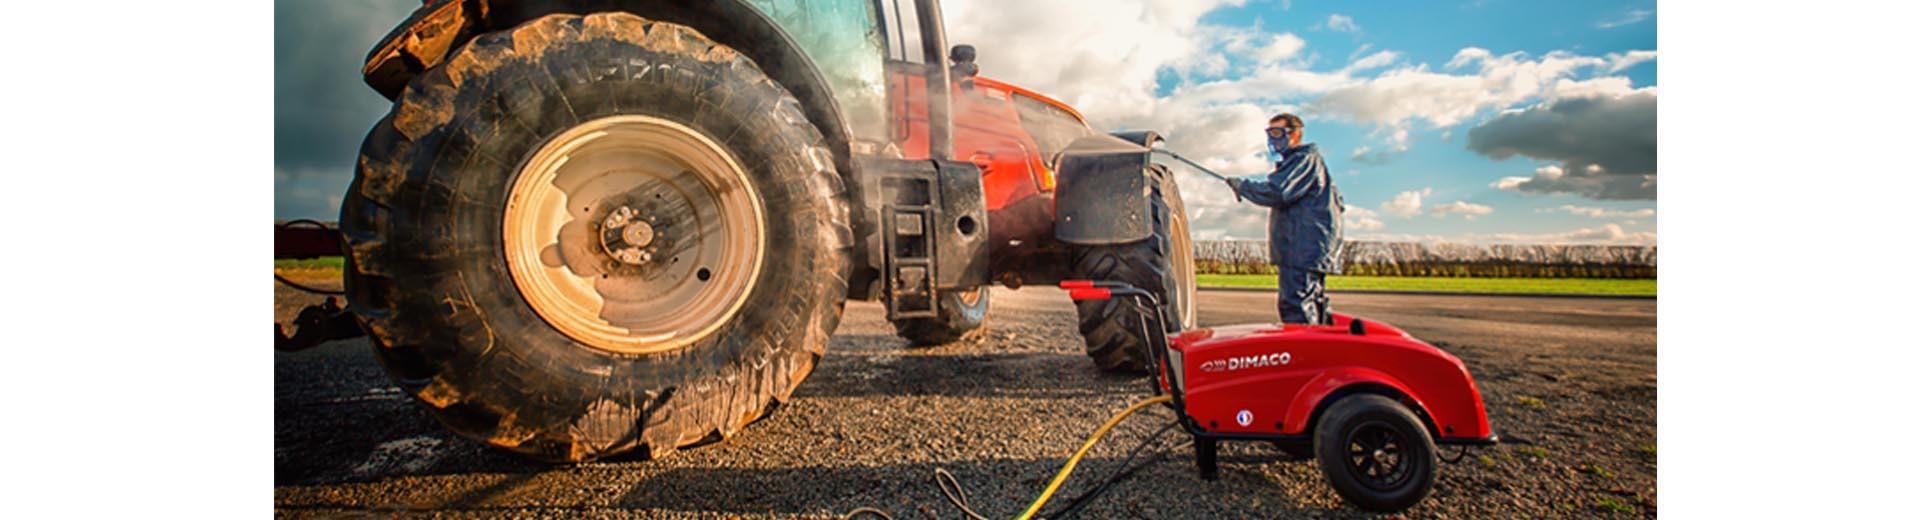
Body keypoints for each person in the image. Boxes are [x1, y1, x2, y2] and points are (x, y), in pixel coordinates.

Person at [1225, 114, 1345, 325]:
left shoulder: (1304, 159)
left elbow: (1277, 192)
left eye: (1278, 133)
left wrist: (1243, 186)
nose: (1273, 140)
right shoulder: (1306, 162)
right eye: (1269, 134)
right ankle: (1320, 347)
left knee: (1297, 304)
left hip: (1302, 249)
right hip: (1309, 249)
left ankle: (1307, 351)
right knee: (1313, 301)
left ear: (1296, 134)